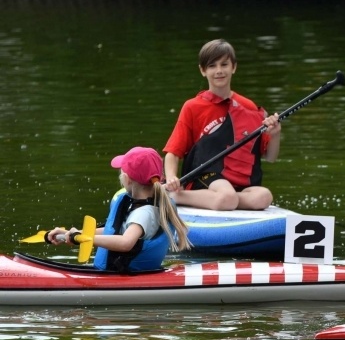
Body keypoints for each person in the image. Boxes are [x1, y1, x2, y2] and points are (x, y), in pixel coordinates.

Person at [163, 39, 282, 211]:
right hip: (204, 178)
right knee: (227, 195)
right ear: (203, 71)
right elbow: (173, 153)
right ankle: (177, 195)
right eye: (212, 66)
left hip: (236, 185)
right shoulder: (192, 107)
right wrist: (172, 178)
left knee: (264, 197)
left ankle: (226, 201)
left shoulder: (248, 107)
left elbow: (270, 157)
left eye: (224, 64)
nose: (219, 71)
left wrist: (275, 133)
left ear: (233, 67)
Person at [46, 147, 191, 272]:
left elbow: (126, 242)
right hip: (126, 271)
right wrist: (71, 233)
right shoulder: (147, 205)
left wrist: (85, 240)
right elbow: (113, 231)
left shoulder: (143, 214)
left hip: (124, 274)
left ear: (127, 179)